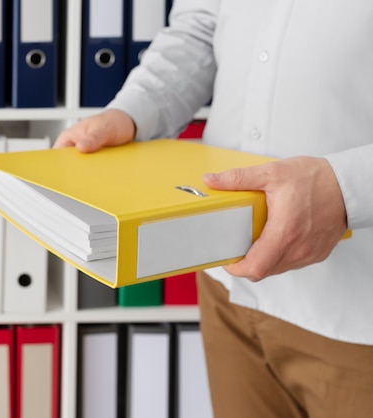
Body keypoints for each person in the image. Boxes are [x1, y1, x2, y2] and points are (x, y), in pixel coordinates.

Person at [55, 1, 373, 417]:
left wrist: (346, 189)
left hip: (356, 309)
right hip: (227, 286)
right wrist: (133, 112)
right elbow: (201, 26)